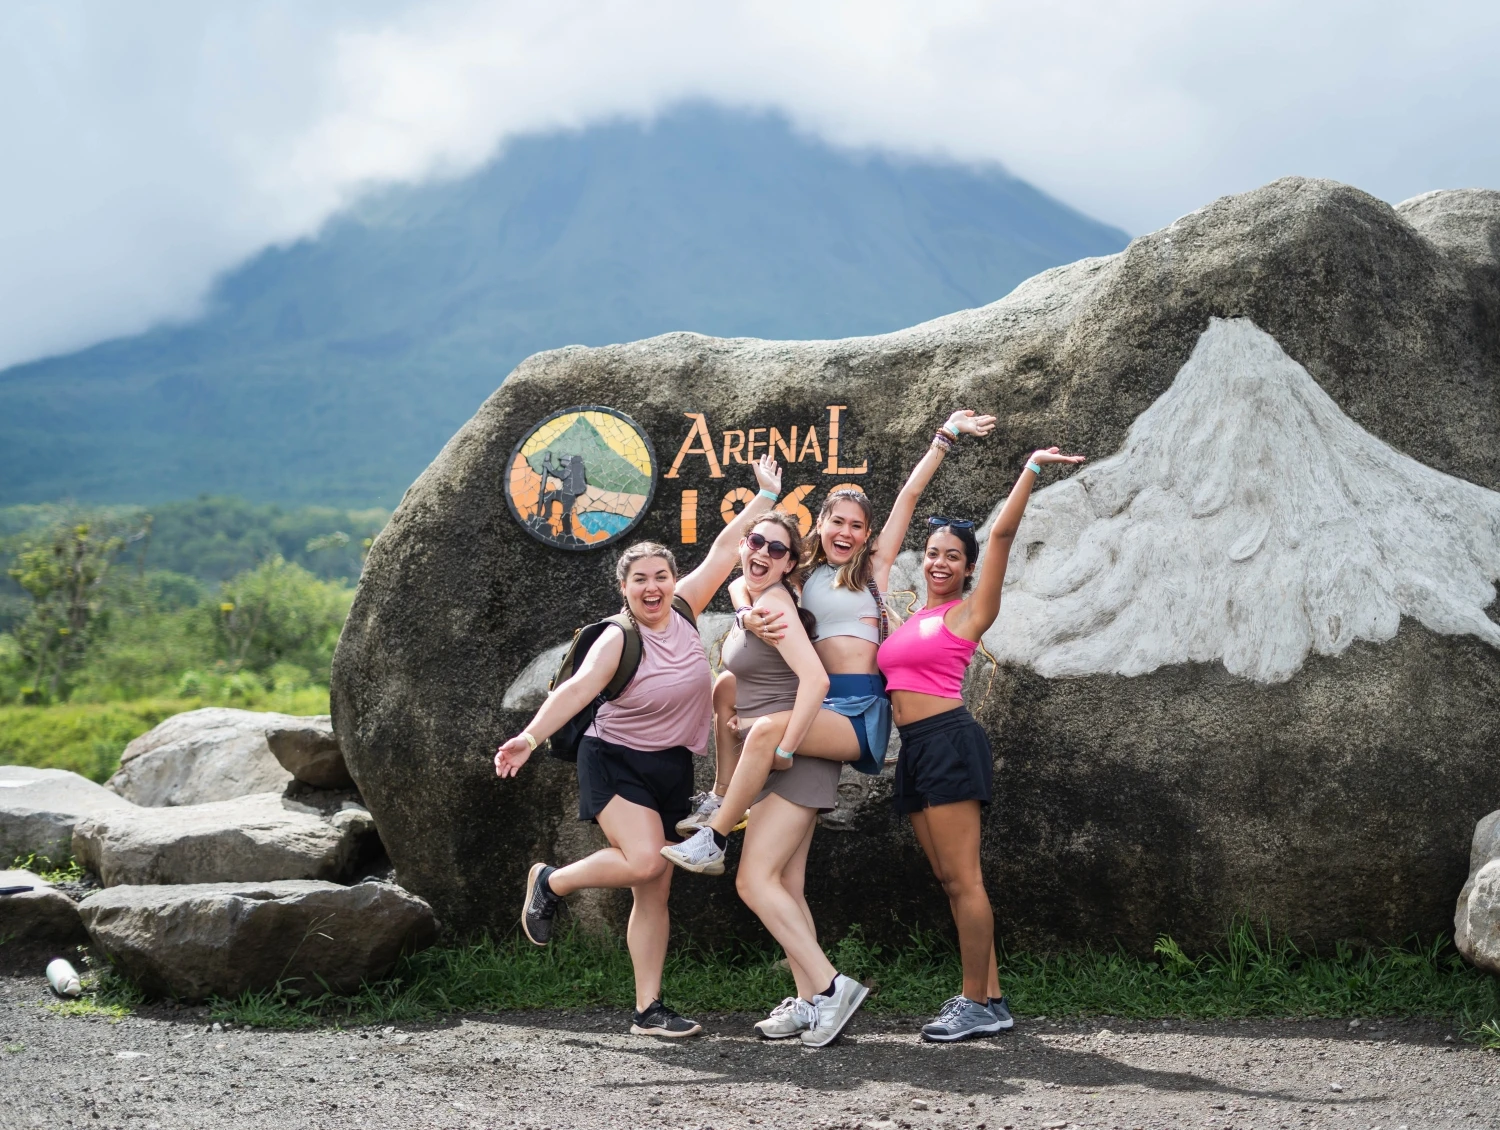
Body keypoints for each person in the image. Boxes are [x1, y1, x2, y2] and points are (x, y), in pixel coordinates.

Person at [493, 453, 784, 1039]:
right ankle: (551, 882)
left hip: (672, 766)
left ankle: (648, 1010)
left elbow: (727, 547)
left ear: (672, 581)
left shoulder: (683, 609)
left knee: (654, 887)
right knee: (647, 859)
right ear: (623, 588)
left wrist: (765, 497)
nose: (653, 587)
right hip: (614, 762)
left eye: (660, 576)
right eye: (639, 580)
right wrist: (529, 737)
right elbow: (577, 691)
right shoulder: (616, 639)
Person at [669, 409, 997, 863]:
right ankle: (720, 794)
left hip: (859, 711)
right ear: (819, 525)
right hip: (817, 709)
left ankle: (715, 840)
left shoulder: (870, 571)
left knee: (761, 732)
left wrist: (944, 438)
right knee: (725, 685)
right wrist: (744, 615)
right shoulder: (799, 578)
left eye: (857, 525)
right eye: (837, 521)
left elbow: (910, 495)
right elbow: (741, 580)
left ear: (865, 537)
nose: (846, 531)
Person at [878, 444, 1085, 1042]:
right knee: (948, 881)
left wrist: (1031, 470)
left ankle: (975, 1001)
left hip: (948, 741)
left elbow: (1000, 537)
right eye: (933, 553)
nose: (939, 562)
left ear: (967, 568)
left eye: (952, 556)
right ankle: (989, 998)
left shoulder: (969, 614)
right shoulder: (911, 617)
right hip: (914, 749)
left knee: (965, 879)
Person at [672, 509, 869, 1046]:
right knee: (786, 886)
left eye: (776, 549)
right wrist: (741, 614)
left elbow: (815, 679)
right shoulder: (752, 594)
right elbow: (739, 582)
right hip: (777, 755)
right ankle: (810, 1003)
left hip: (795, 756)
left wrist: (783, 746)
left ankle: (832, 990)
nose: (761, 552)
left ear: (790, 563)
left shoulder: (777, 603)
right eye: (754, 541)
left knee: (753, 880)